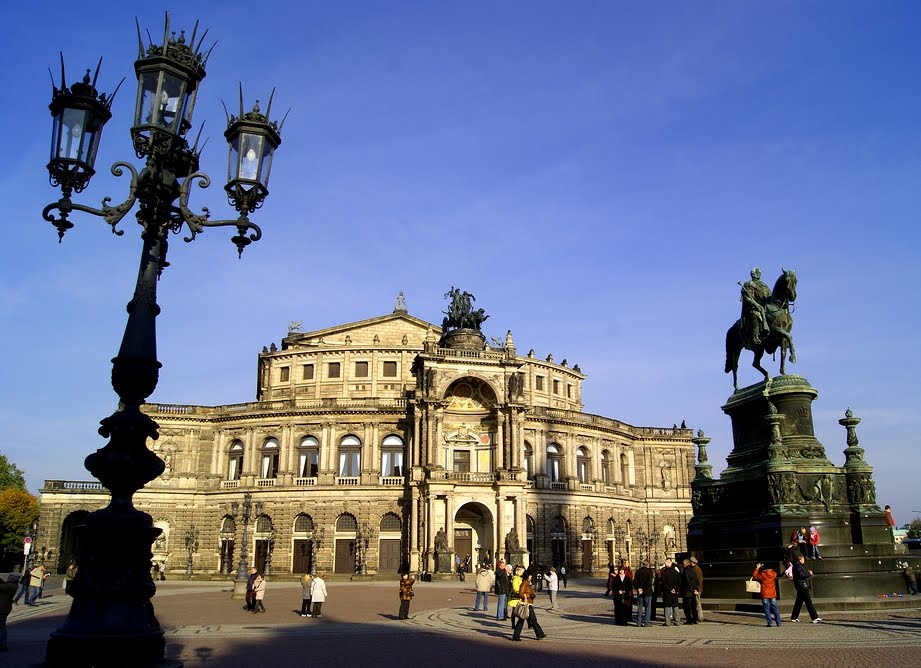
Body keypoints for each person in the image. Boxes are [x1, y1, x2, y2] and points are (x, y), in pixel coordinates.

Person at [740, 267, 771, 345]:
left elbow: (770, 296)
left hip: (764, 307)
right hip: (752, 308)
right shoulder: (749, 284)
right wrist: (755, 304)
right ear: (754, 274)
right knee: (755, 315)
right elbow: (747, 297)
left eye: (760, 272)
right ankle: (755, 336)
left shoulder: (763, 285)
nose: (759, 274)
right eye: (758, 272)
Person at [511, 573, 545, 641]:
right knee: (525, 619)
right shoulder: (524, 584)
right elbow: (521, 594)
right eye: (530, 575)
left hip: (529, 603)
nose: (531, 576)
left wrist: (532, 595)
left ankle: (539, 634)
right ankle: (516, 636)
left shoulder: (528, 583)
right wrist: (529, 596)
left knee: (531, 619)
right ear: (527, 577)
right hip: (525, 604)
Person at [790, 555, 821, 623]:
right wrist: (809, 574)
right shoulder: (798, 566)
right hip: (802, 585)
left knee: (799, 602)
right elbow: (801, 576)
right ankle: (814, 617)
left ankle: (794, 617)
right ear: (800, 559)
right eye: (803, 559)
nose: (804, 560)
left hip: (800, 585)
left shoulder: (797, 566)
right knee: (808, 601)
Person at [753, 563, 781, 627]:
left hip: (765, 593)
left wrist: (757, 568)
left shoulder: (763, 574)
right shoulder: (774, 574)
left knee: (766, 608)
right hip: (772, 593)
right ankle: (778, 622)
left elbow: (755, 576)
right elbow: (774, 573)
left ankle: (769, 622)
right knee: (775, 608)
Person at [0, 573, 20, 652]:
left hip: (2, 609)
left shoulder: (10, 586)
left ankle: (2, 645)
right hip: (4, 609)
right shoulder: (11, 585)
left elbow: (2, 585)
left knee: (1, 627)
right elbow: (3, 583)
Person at [659, 557, 681, 626]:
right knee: (675, 606)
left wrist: (670, 589)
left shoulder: (664, 572)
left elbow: (664, 583)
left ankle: (667, 621)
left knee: (667, 606)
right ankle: (677, 620)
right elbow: (679, 582)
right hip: (674, 592)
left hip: (667, 592)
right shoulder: (676, 572)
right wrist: (675, 589)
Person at [633, 560, 654, 627]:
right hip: (647, 592)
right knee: (648, 608)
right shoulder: (649, 572)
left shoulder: (638, 571)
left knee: (640, 608)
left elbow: (635, 581)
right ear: (648, 564)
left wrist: (638, 588)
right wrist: (643, 589)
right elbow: (649, 582)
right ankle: (646, 622)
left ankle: (639, 622)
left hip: (640, 592)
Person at [680, 558, 700, 624]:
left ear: (685, 564)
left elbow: (687, 582)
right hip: (692, 592)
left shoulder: (686, 571)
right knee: (693, 606)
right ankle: (695, 619)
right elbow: (697, 580)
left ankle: (689, 620)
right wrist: (696, 589)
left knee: (687, 607)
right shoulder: (693, 571)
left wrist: (692, 589)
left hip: (687, 592)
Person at [689, 556, 704, 623]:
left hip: (697, 589)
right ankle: (698, 617)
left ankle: (700, 617)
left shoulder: (696, 569)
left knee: (697, 604)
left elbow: (698, 580)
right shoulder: (695, 568)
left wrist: (697, 590)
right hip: (697, 589)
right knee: (696, 603)